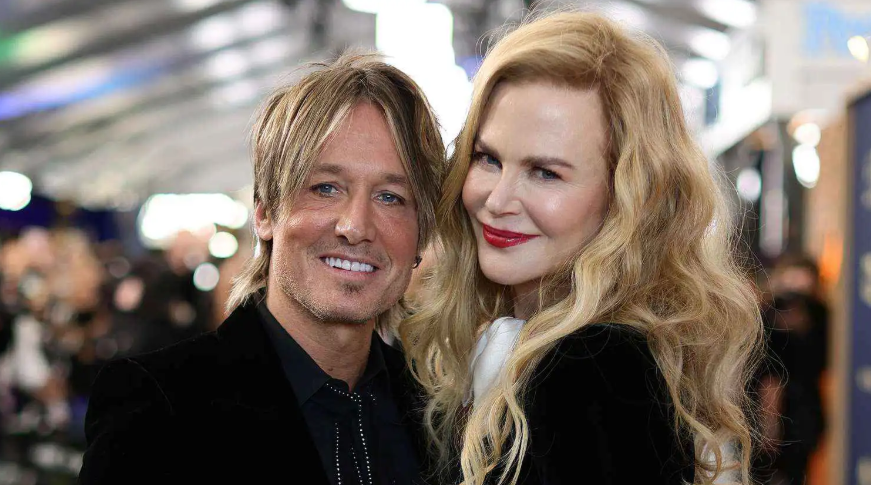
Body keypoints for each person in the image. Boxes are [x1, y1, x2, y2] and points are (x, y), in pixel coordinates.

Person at [400, 11, 764, 485]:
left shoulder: (594, 364)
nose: (498, 200)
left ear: (626, 197)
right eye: (488, 158)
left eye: (545, 173)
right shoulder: (535, 344)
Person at [77, 52, 444, 485]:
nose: (356, 226)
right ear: (265, 212)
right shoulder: (159, 404)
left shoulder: (439, 416)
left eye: (390, 197)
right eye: (326, 188)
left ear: (421, 236)